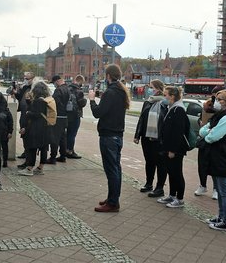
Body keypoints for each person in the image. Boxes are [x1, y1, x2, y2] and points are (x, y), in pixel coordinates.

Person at [88, 64, 130, 212]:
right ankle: (113, 198)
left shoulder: (111, 92)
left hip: (108, 135)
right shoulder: (121, 91)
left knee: (111, 170)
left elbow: (98, 113)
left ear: (108, 76)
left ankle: (113, 203)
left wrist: (92, 100)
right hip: (117, 135)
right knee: (116, 168)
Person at [200, 89, 226, 232]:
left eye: (220, 99)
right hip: (217, 157)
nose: (216, 101)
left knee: (225, 191)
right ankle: (221, 217)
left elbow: (211, 136)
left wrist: (210, 132)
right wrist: (210, 131)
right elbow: (203, 130)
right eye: (216, 98)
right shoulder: (220, 116)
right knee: (221, 190)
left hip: (223, 158)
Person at [156, 86, 189, 208]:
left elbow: (178, 132)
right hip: (168, 147)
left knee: (176, 173)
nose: (164, 97)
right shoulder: (172, 108)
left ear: (172, 96)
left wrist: (172, 150)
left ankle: (179, 199)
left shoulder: (178, 110)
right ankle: (172, 195)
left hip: (175, 149)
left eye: (166, 95)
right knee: (171, 172)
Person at [134, 79, 168, 198]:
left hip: (158, 138)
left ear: (158, 88)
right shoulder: (148, 102)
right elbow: (142, 118)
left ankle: (159, 188)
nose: (150, 89)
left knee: (160, 163)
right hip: (146, 137)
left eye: (152, 87)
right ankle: (149, 183)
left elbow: (165, 121)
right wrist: (137, 135)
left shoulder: (165, 102)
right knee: (149, 161)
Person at [18, 81, 56, 175]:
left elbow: (36, 114)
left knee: (32, 148)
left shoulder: (38, 101)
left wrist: (28, 113)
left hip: (36, 128)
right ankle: (40, 168)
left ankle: (29, 168)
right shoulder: (46, 100)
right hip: (45, 127)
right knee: (43, 148)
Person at [194, 86, 224, 200]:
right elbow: (202, 117)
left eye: (217, 96)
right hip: (204, 140)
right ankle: (203, 185)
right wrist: (200, 122)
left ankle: (216, 189)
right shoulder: (207, 104)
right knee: (202, 165)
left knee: (214, 166)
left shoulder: (223, 111)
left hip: (215, 142)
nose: (215, 98)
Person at [13, 72, 35, 168]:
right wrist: (15, 93)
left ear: (33, 79)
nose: (26, 80)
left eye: (28, 78)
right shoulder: (25, 87)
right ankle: (25, 152)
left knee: (28, 135)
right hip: (23, 113)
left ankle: (28, 159)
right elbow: (20, 97)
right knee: (23, 133)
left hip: (29, 114)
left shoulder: (34, 89)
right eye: (25, 78)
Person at [47, 75, 69, 164]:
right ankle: (63, 156)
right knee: (63, 137)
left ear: (57, 81)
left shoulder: (58, 90)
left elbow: (54, 104)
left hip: (58, 116)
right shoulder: (68, 89)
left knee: (54, 138)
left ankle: (52, 158)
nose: (54, 85)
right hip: (66, 117)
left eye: (54, 83)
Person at [65, 75, 87, 159]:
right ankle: (70, 151)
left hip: (67, 114)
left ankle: (66, 149)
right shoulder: (79, 91)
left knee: (67, 133)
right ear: (80, 81)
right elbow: (81, 103)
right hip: (75, 115)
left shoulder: (67, 88)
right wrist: (85, 100)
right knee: (72, 134)